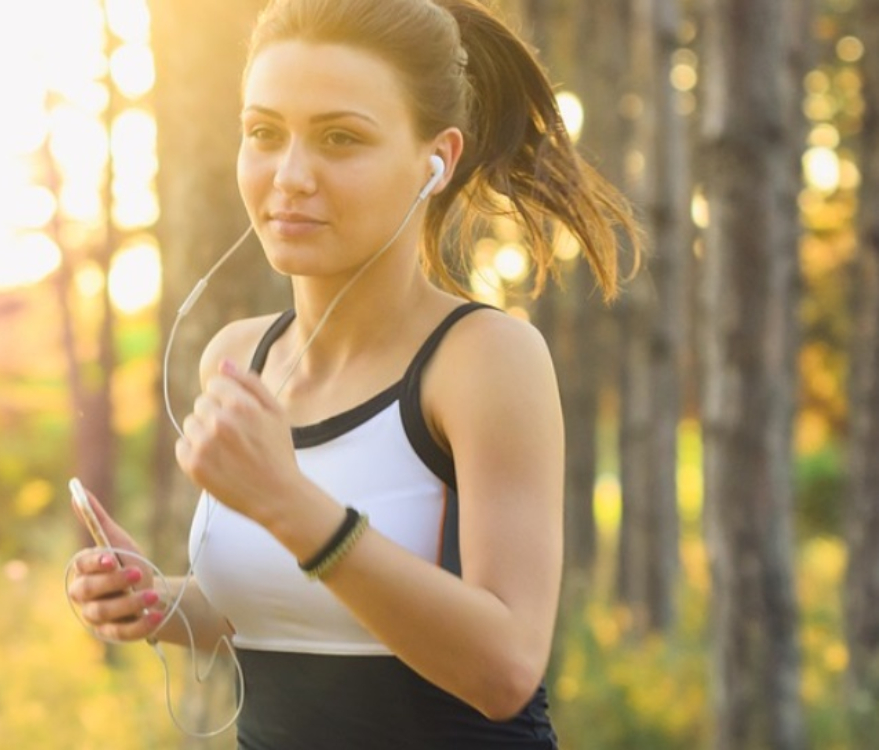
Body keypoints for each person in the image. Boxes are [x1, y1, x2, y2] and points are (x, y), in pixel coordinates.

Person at [66, 0, 637, 747]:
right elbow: (292, 612)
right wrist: (161, 604)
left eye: (340, 138)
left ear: (437, 160)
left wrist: (289, 505)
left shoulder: (483, 359)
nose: (290, 176)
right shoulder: (238, 360)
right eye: (264, 133)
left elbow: (504, 669)